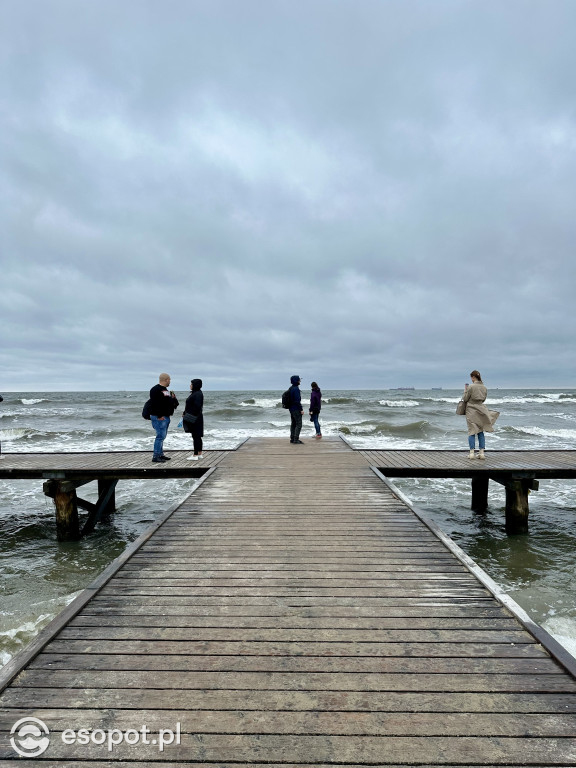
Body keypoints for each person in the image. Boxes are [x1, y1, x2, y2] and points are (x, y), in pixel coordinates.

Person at [462, 370, 499, 459]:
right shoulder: (484, 387)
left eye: (471, 377)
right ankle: (481, 453)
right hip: (481, 409)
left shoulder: (471, 387)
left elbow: (465, 399)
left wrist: (465, 391)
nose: (471, 379)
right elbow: (483, 399)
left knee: (472, 431)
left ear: (473, 377)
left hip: (471, 410)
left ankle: (471, 453)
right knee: (480, 431)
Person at [149, 373, 179, 463]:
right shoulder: (155, 389)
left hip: (166, 416)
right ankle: (156, 456)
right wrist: (159, 415)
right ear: (166, 380)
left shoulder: (166, 390)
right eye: (169, 380)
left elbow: (170, 403)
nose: (170, 381)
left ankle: (160, 454)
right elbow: (154, 403)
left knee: (163, 436)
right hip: (159, 417)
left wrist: (173, 398)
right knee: (160, 436)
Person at [183, 378, 204, 460]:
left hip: (195, 418)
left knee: (196, 436)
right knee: (197, 436)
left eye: (191, 384)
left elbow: (197, 407)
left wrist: (189, 415)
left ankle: (195, 455)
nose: (190, 385)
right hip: (196, 417)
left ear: (195, 385)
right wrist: (185, 412)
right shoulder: (196, 393)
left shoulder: (197, 394)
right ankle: (199, 453)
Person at [288, 375, 304, 444]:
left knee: (293, 424)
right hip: (296, 409)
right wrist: (301, 409)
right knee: (299, 424)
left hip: (291, 409)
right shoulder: (296, 389)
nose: (300, 381)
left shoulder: (291, 388)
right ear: (296, 381)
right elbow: (297, 401)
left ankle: (292, 438)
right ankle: (296, 439)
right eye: (299, 380)